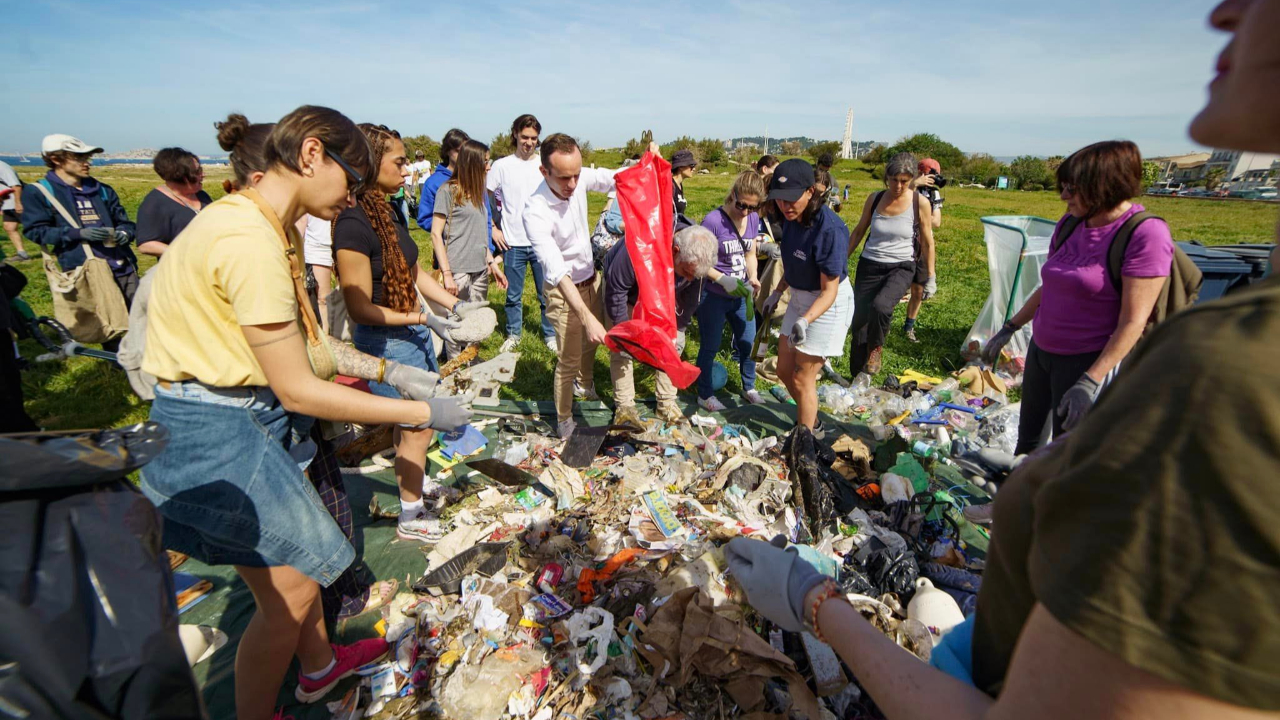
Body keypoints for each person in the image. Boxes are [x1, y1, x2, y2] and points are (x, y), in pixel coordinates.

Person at [728, 4, 1280, 716]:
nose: (1225, 9)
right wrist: (1007, 335)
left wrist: (816, 603)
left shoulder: (1234, 370)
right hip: (982, 632)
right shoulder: (1192, 314)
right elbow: (1049, 289)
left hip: (950, 681)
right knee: (1031, 451)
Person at [140, 106, 472, 720]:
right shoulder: (246, 237)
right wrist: (419, 407)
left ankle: (318, 670)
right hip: (218, 425)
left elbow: (314, 349)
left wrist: (390, 370)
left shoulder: (277, 230)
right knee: (291, 593)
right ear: (312, 155)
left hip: (249, 417)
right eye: (351, 175)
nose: (352, 195)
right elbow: (297, 387)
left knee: (292, 583)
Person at [333, 122, 478, 544]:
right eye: (397, 161)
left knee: (416, 427)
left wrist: (455, 305)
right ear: (368, 164)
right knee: (416, 426)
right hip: (387, 341)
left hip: (410, 335)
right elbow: (361, 307)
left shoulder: (386, 210)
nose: (405, 169)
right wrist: (422, 319)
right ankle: (411, 514)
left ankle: (414, 486)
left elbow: (412, 270)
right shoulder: (352, 225)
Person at [981, 140, 1172, 454]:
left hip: (1085, 361)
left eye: (1073, 187)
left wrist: (1090, 380)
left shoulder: (1144, 234)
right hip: (1042, 351)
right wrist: (1009, 328)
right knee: (1027, 444)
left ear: (1104, 187)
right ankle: (1012, 502)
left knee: (1068, 453)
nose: (1063, 195)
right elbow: (1050, 287)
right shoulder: (1070, 225)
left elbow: (1134, 321)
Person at [525, 133, 660, 438]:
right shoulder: (535, 212)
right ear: (544, 172)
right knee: (568, 358)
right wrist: (586, 316)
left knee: (589, 347)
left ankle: (585, 386)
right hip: (563, 292)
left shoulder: (578, 176)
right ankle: (563, 419)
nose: (573, 184)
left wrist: (646, 163)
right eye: (564, 178)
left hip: (591, 279)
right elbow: (558, 272)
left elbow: (618, 179)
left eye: (576, 175)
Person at [758, 159, 853, 437]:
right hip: (799, 297)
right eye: (779, 200)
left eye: (792, 199)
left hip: (826, 304)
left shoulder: (830, 230)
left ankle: (806, 438)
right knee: (786, 371)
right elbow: (794, 263)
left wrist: (805, 320)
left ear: (811, 192)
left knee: (803, 376)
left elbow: (829, 290)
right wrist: (776, 293)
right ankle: (813, 421)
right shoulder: (790, 221)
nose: (785, 206)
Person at [21, 134, 139, 350]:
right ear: (56, 159)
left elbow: (126, 222)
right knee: (110, 326)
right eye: (79, 157)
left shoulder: (102, 189)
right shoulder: (40, 192)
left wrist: (124, 232)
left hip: (122, 266)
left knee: (142, 320)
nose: (87, 163)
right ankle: (120, 371)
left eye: (88, 157)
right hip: (86, 271)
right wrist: (78, 234)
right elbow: (35, 231)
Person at [605, 226, 718, 427]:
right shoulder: (641, 245)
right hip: (627, 294)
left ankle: (666, 403)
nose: (690, 278)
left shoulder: (693, 264)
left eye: (695, 275)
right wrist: (624, 332)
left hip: (664, 298)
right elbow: (616, 289)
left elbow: (691, 298)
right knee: (622, 351)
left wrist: (679, 330)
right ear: (675, 251)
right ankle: (625, 406)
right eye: (686, 272)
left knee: (670, 348)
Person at [845, 152, 936, 376]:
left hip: (901, 266)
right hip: (870, 263)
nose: (898, 185)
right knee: (860, 322)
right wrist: (841, 260)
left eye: (904, 181)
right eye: (894, 180)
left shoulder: (919, 203)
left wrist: (931, 276)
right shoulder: (875, 198)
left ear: (912, 179)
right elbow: (858, 231)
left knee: (882, 306)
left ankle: (876, 348)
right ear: (887, 178)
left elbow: (927, 242)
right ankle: (856, 377)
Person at [696, 170, 767, 411]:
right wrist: (721, 278)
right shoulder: (713, 221)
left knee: (748, 342)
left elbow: (750, 253)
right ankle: (704, 393)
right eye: (741, 204)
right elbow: (698, 262)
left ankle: (749, 387)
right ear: (733, 194)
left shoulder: (753, 219)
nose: (745, 211)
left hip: (742, 295)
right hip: (714, 296)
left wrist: (754, 276)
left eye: (752, 207)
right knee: (710, 345)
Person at [489, 114, 557, 354]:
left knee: (546, 294)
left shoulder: (544, 165)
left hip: (540, 241)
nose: (529, 142)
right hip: (512, 242)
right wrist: (493, 227)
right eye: (525, 137)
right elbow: (485, 197)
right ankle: (513, 334)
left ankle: (550, 334)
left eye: (534, 138)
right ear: (516, 134)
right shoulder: (501, 166)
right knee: (513, 295)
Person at [432, 138, 506, 357]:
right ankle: (456, 369)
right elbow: (436, 234)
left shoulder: (479, 194)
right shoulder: (448, 191)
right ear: (472, 162)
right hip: (457, 271)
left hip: (480, 271)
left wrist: (493, 264)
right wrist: (447, 274)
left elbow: (480, 235)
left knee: (475, 322)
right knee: (455, 322)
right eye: (485, 161)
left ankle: (471, 360)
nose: (489, 166)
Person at [135, 147, 213, 257]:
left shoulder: (202, 196)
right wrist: (187, 253)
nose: (203, 175)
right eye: (197, 172)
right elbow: (146, 245)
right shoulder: (155, 202)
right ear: (179, 175)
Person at [902, 157, 945, 343]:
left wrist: (922, 213)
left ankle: (909, 327)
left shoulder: (933, 194)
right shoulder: (907, 187)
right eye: (930, 174)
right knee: (895, 288)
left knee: (918, 290)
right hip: (903, 242)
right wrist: (913, 185)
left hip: (922, 245)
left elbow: (936, 222)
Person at [414, 128, 469, 232]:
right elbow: (424, 219)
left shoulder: (474, 177)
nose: (462, 155)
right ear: (447, 151)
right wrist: (451, 226)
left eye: (465, 151)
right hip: (449, 245)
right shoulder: (433, 183)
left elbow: (486, 214)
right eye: (458, 151)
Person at [303, 213, 335, 334]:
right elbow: (301, 223)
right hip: (315, 249)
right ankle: (323, 335)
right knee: (321, 297)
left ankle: (329, 334)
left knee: (327, 297)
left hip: (332, 245)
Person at [0, 159, 29, 261]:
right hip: (7, 204)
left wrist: (18, 203)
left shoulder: (2, 167)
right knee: (9, 227)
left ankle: (60, 245)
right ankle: (22, 254)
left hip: (18, 202)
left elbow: (16, 186)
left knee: (34, 227)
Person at [670, 149, 696, 219]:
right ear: (681, 167)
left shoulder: (679, 184)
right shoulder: (670, 186)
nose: (694, 169)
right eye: (691, 165)